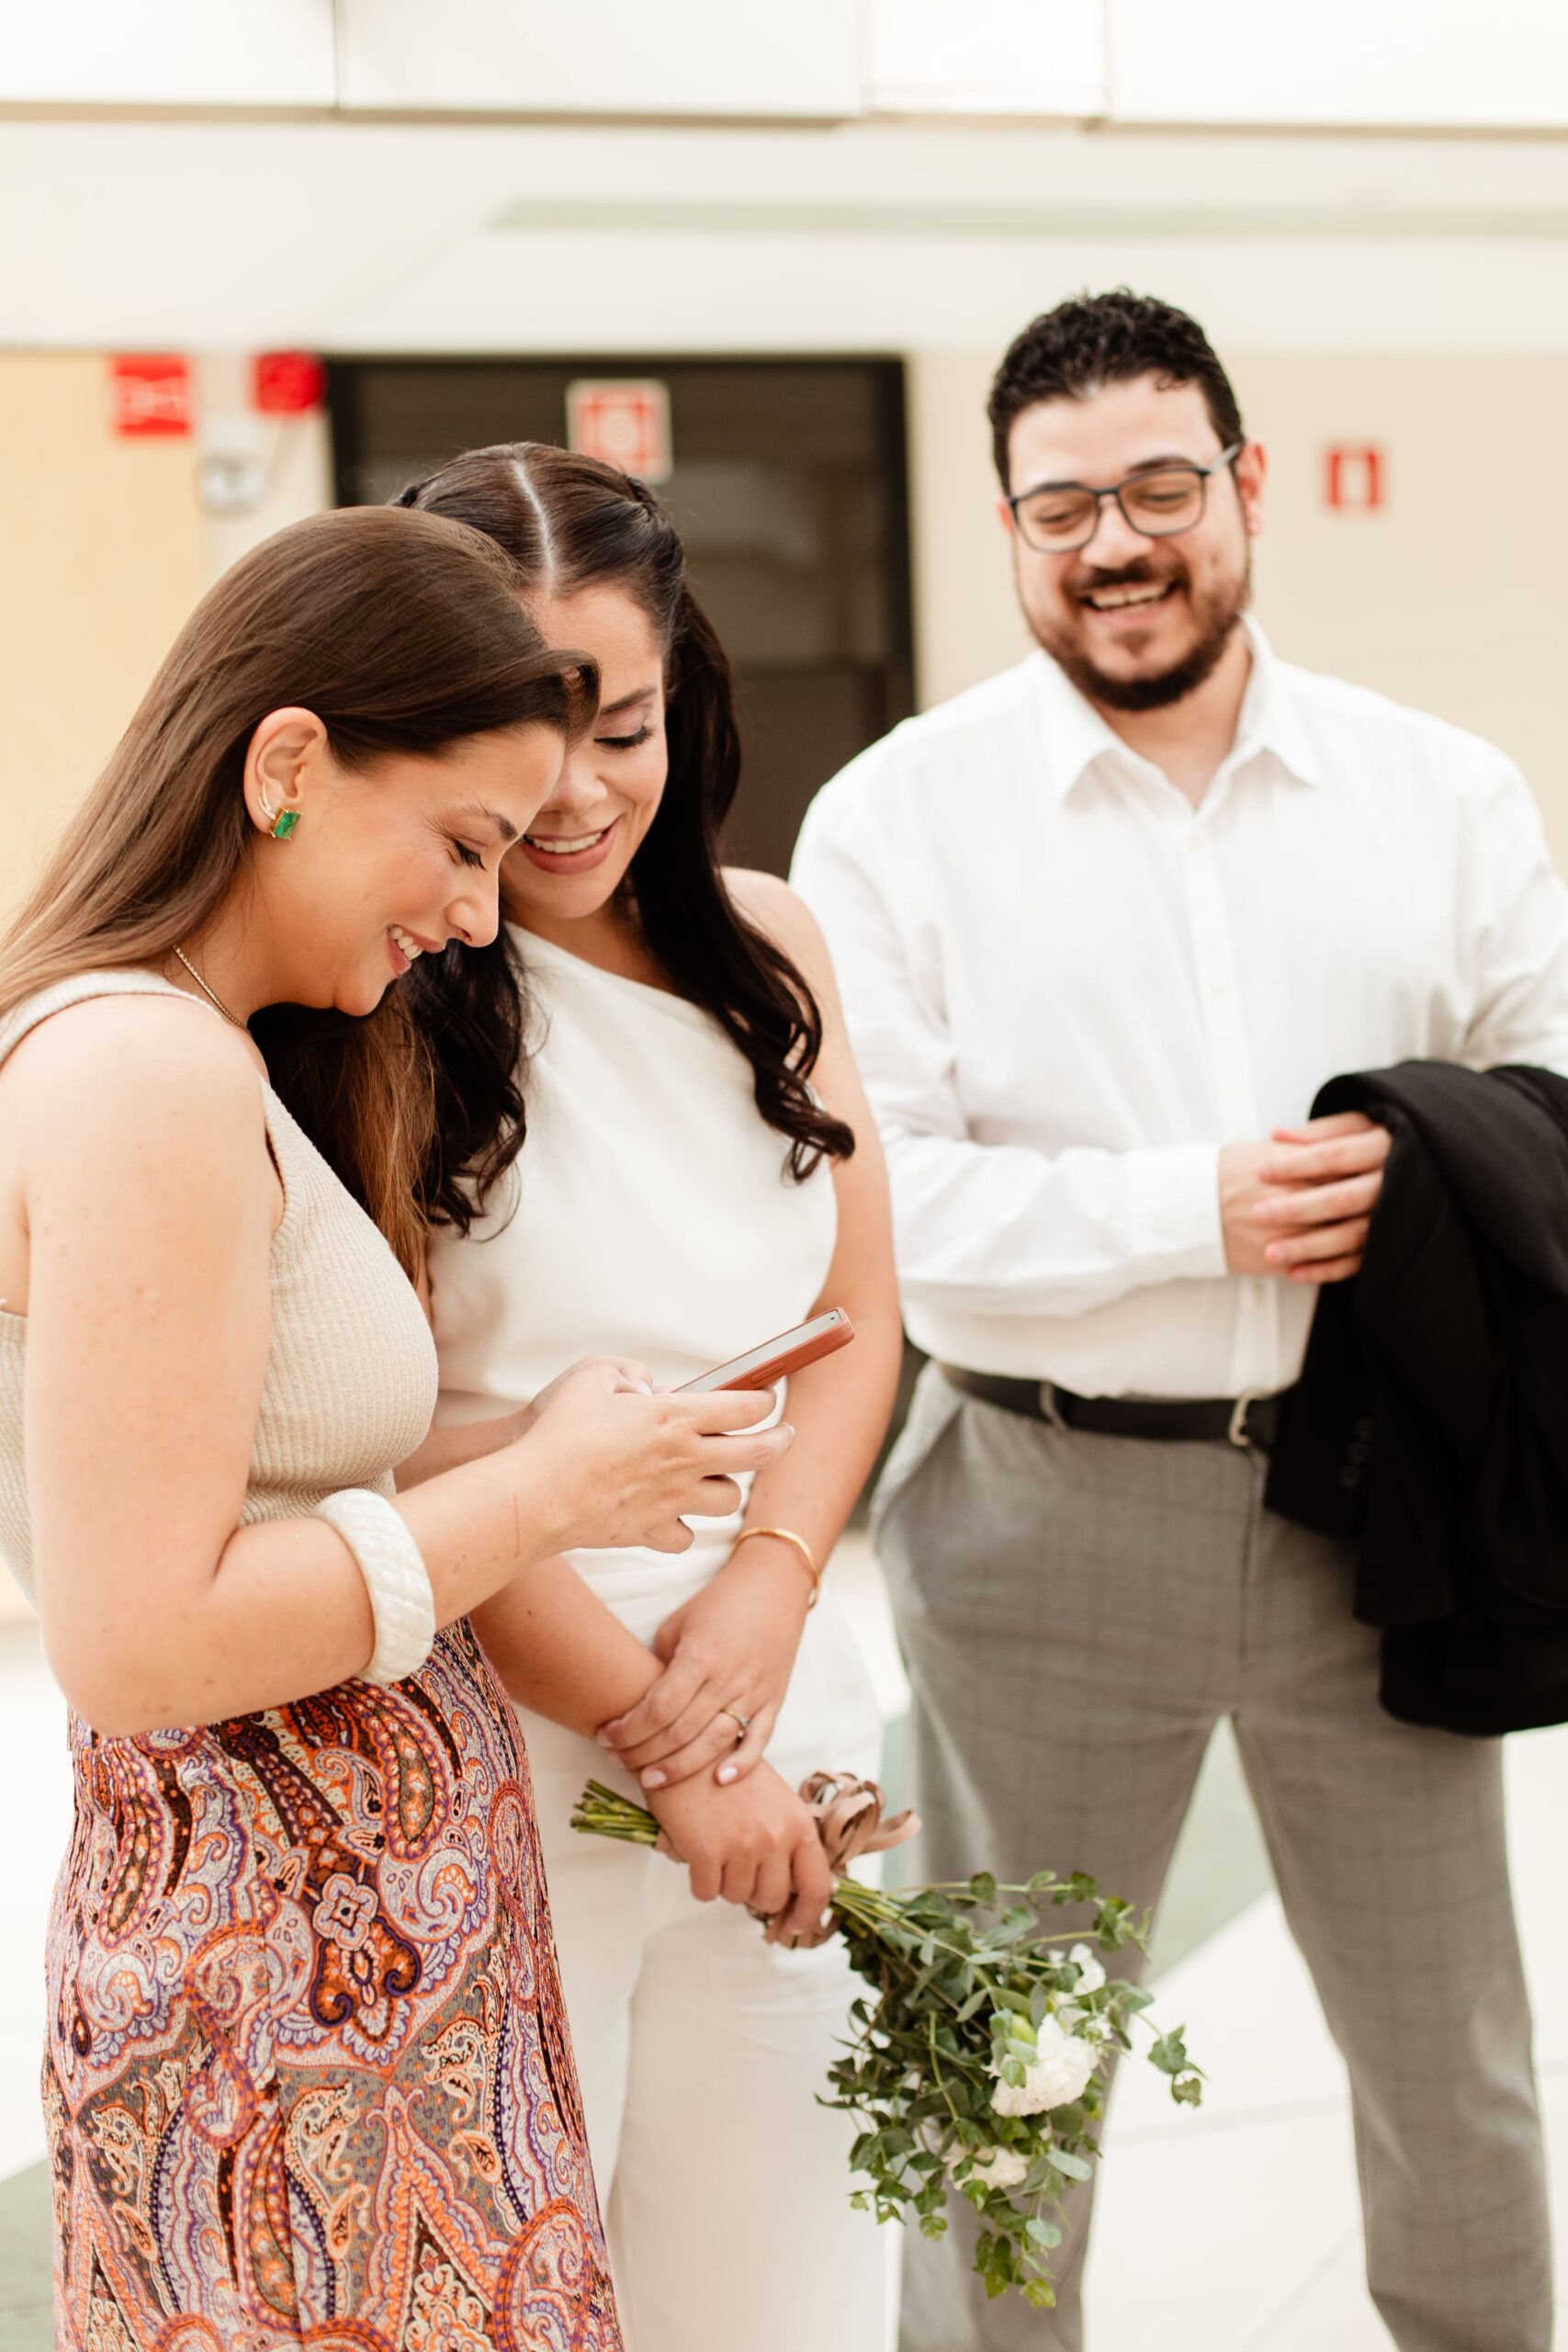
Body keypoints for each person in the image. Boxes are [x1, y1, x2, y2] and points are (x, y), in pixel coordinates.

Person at [792, 289, 1566, 2352]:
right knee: (1003, 2085)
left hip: (1372, 1504)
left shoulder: (1437, 791)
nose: (1115, 544)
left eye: (1157, 489)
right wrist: (1191, 1205)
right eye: (1062, 508)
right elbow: (881, 1203)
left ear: (1245, 485)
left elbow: (1553, 1087)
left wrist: (1437, 1169)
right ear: (1005, 527)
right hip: (1036, 1510)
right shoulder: (896, 818)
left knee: (1451, 2059)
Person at [0, 505, 794, 2352]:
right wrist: (540, 1489)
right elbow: (142, 1634)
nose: (477, 915)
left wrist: (544, 1447)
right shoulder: (147, 1072)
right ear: (286, 764)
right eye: (463, 842)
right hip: (285, 2003)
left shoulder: (193, 1053)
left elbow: (261, 1470)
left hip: (336, 1980)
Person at [390, 444, 903, 2352]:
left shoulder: (772, 943)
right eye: (525, 734)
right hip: (505, 1721)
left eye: (622, 725)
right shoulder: (378, 992)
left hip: (777, 1690)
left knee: (785, 2292)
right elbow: (386, 1437)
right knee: (518, 2289)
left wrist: (770, 1584)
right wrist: (664, 1744)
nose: (576, 793)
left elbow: (856, 1314)